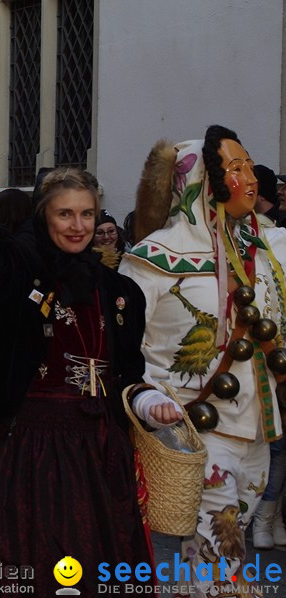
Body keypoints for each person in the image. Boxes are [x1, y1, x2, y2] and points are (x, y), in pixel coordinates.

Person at [0, 80, 154, 596]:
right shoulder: (15, 268)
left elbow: (130, 370)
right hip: (33, 453)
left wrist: (150, 399)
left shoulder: (120, 291)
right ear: (45, 215)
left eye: (87, 213)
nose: (77, 225)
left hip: (101, 454)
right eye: (65, 213)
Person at [121, 126, 286, 597]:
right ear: (201, 183)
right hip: (195, 427)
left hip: (256, 426)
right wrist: (150, 402)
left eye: (249, 165)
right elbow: (123, 345)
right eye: (235, 169)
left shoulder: (265, 251)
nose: (250, 178)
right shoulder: (153, 259)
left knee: (217, 543)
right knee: (224, 544)